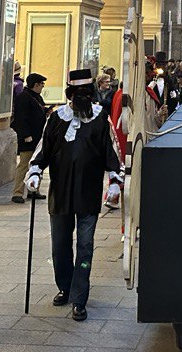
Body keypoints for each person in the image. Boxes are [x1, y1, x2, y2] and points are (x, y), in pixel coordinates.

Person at [25, 69, 123, 321]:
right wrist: (34, 172)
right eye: (78, 94)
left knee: (85, 246)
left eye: (86, 94)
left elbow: (112, 152)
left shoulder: (101, 119)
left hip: (88, 193)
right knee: (59, 246)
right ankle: (65, 287)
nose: (83, 98)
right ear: (70, 95)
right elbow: (42, 150)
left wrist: (114, 181)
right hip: (60, 193)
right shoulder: (57, 118)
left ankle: (80, 298)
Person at [11, 73, 49, 203]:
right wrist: (26, 135)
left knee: (37, 164)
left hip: (38, 137)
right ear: (35, 84)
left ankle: (34, 190)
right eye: (41, 84)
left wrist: (46, 111)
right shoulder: (23, 97)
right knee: (24, 165)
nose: (42, 87)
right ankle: (17, 192)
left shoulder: (36, 97)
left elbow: (38, 111)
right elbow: (21, 118)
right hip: (28, 138)